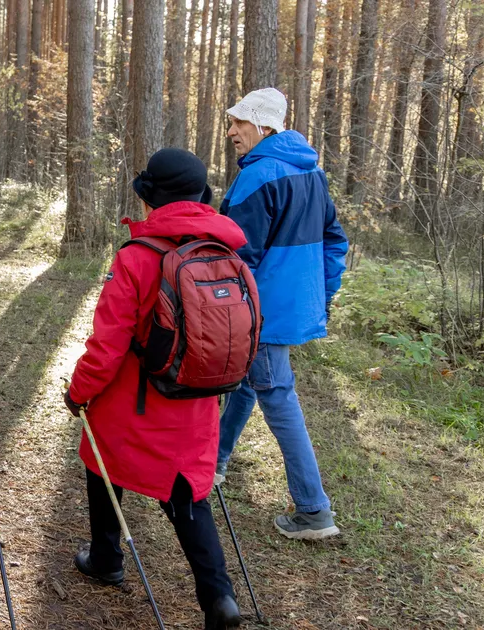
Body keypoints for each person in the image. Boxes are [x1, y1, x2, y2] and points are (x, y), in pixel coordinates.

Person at [64, 148, 244, 630]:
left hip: (133, 404)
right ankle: (219, 599)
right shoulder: (225, 251)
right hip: (197, 401)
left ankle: (106, 556)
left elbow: (107, 346)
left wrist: (77, 394)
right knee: (186, 494)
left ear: (150, 202)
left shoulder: (137, 258)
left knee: (99, 456)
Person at [215, 87, 347, 540]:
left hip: (262, 311)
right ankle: (215, 459)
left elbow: (236, 257)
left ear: (264, 127)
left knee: (276, 394)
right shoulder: (312, 173)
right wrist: (321, 296)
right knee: (255, 383)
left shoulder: (259, 174)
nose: (231, 131)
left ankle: (313, 509)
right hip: (291, 307)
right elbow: (336, 242)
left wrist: (224, 313)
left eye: (239, 122)